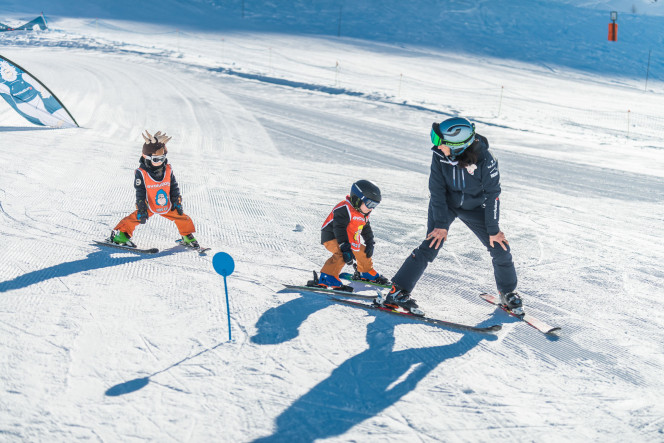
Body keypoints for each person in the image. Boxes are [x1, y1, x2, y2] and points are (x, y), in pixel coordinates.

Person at [376, 117, 522, 314]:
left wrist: (494, 230)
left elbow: (493, 194)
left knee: (499, 246)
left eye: (440, 142)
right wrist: (441, 224)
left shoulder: (486, 159)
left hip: (475, 207)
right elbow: (436, 189)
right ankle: (398, 291)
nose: (436, 146)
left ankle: (507, 292)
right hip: (445, 204)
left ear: (458, 146)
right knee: (432, 243)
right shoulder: (439, 155)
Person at [109, 130, 200, 249]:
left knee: (182, 217)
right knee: (135, 218)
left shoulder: (168, 170)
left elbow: (173, 186)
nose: (160, 162)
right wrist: (141, 205)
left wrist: (176, 200)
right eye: (156, 159)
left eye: (162, 158)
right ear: (146, 158)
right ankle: (121, 235)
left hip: (166, 204)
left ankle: (187, 236)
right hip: (149, 204)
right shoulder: (142, 173)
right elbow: (140, 191)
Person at [314, 180, 390, 291]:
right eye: (369, 204)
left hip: (348, 240)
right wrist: (344, 246)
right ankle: (327, 276)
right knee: (342, 254)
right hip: (332, 237)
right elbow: (339, 228)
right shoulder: (344, 208)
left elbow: (366, 228)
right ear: (358, 199)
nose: (371, 208)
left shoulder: (363, 213)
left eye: (375, 205)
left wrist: (370, 242)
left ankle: (366, 272)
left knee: (363, 252)